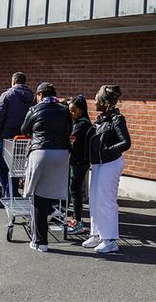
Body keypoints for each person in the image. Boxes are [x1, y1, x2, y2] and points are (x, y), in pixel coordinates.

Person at [20, 82, 71, 252]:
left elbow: (25, 129)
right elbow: (68, 131)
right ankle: (51, 213)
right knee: (53, 192)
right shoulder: (64, 110)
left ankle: (40, 241)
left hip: (41, 153)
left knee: (38, 197)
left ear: (41, 94)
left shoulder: (35, 110)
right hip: (61, 154)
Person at [82, 85, 131, 254]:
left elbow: (126, 142)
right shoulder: (102, 119)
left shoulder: (117, 119)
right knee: (95, 199)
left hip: (110, 163)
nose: (94, 102)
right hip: (99, 164)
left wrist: (107, 150)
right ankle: (96, 233)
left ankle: (110, 240)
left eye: (97, 100)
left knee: (106, 200)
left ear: (104, 102)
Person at [0, 72, 35, 204]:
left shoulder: (7, 95)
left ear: (13, 81)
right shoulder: (32, 97)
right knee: (16, 167)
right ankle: (12, 192)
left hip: (5, 136)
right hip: (23, 138)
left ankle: (11, 193)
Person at [66, 94, 92, 234]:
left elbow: (70, 139)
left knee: (75, 190)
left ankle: (78, 222)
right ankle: (76, 219)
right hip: (78, 160)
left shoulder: (82, 124)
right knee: (73, 189)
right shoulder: (81, 122)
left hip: (79, 161)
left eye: (73, 111)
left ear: (81, 111)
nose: (71, 113)